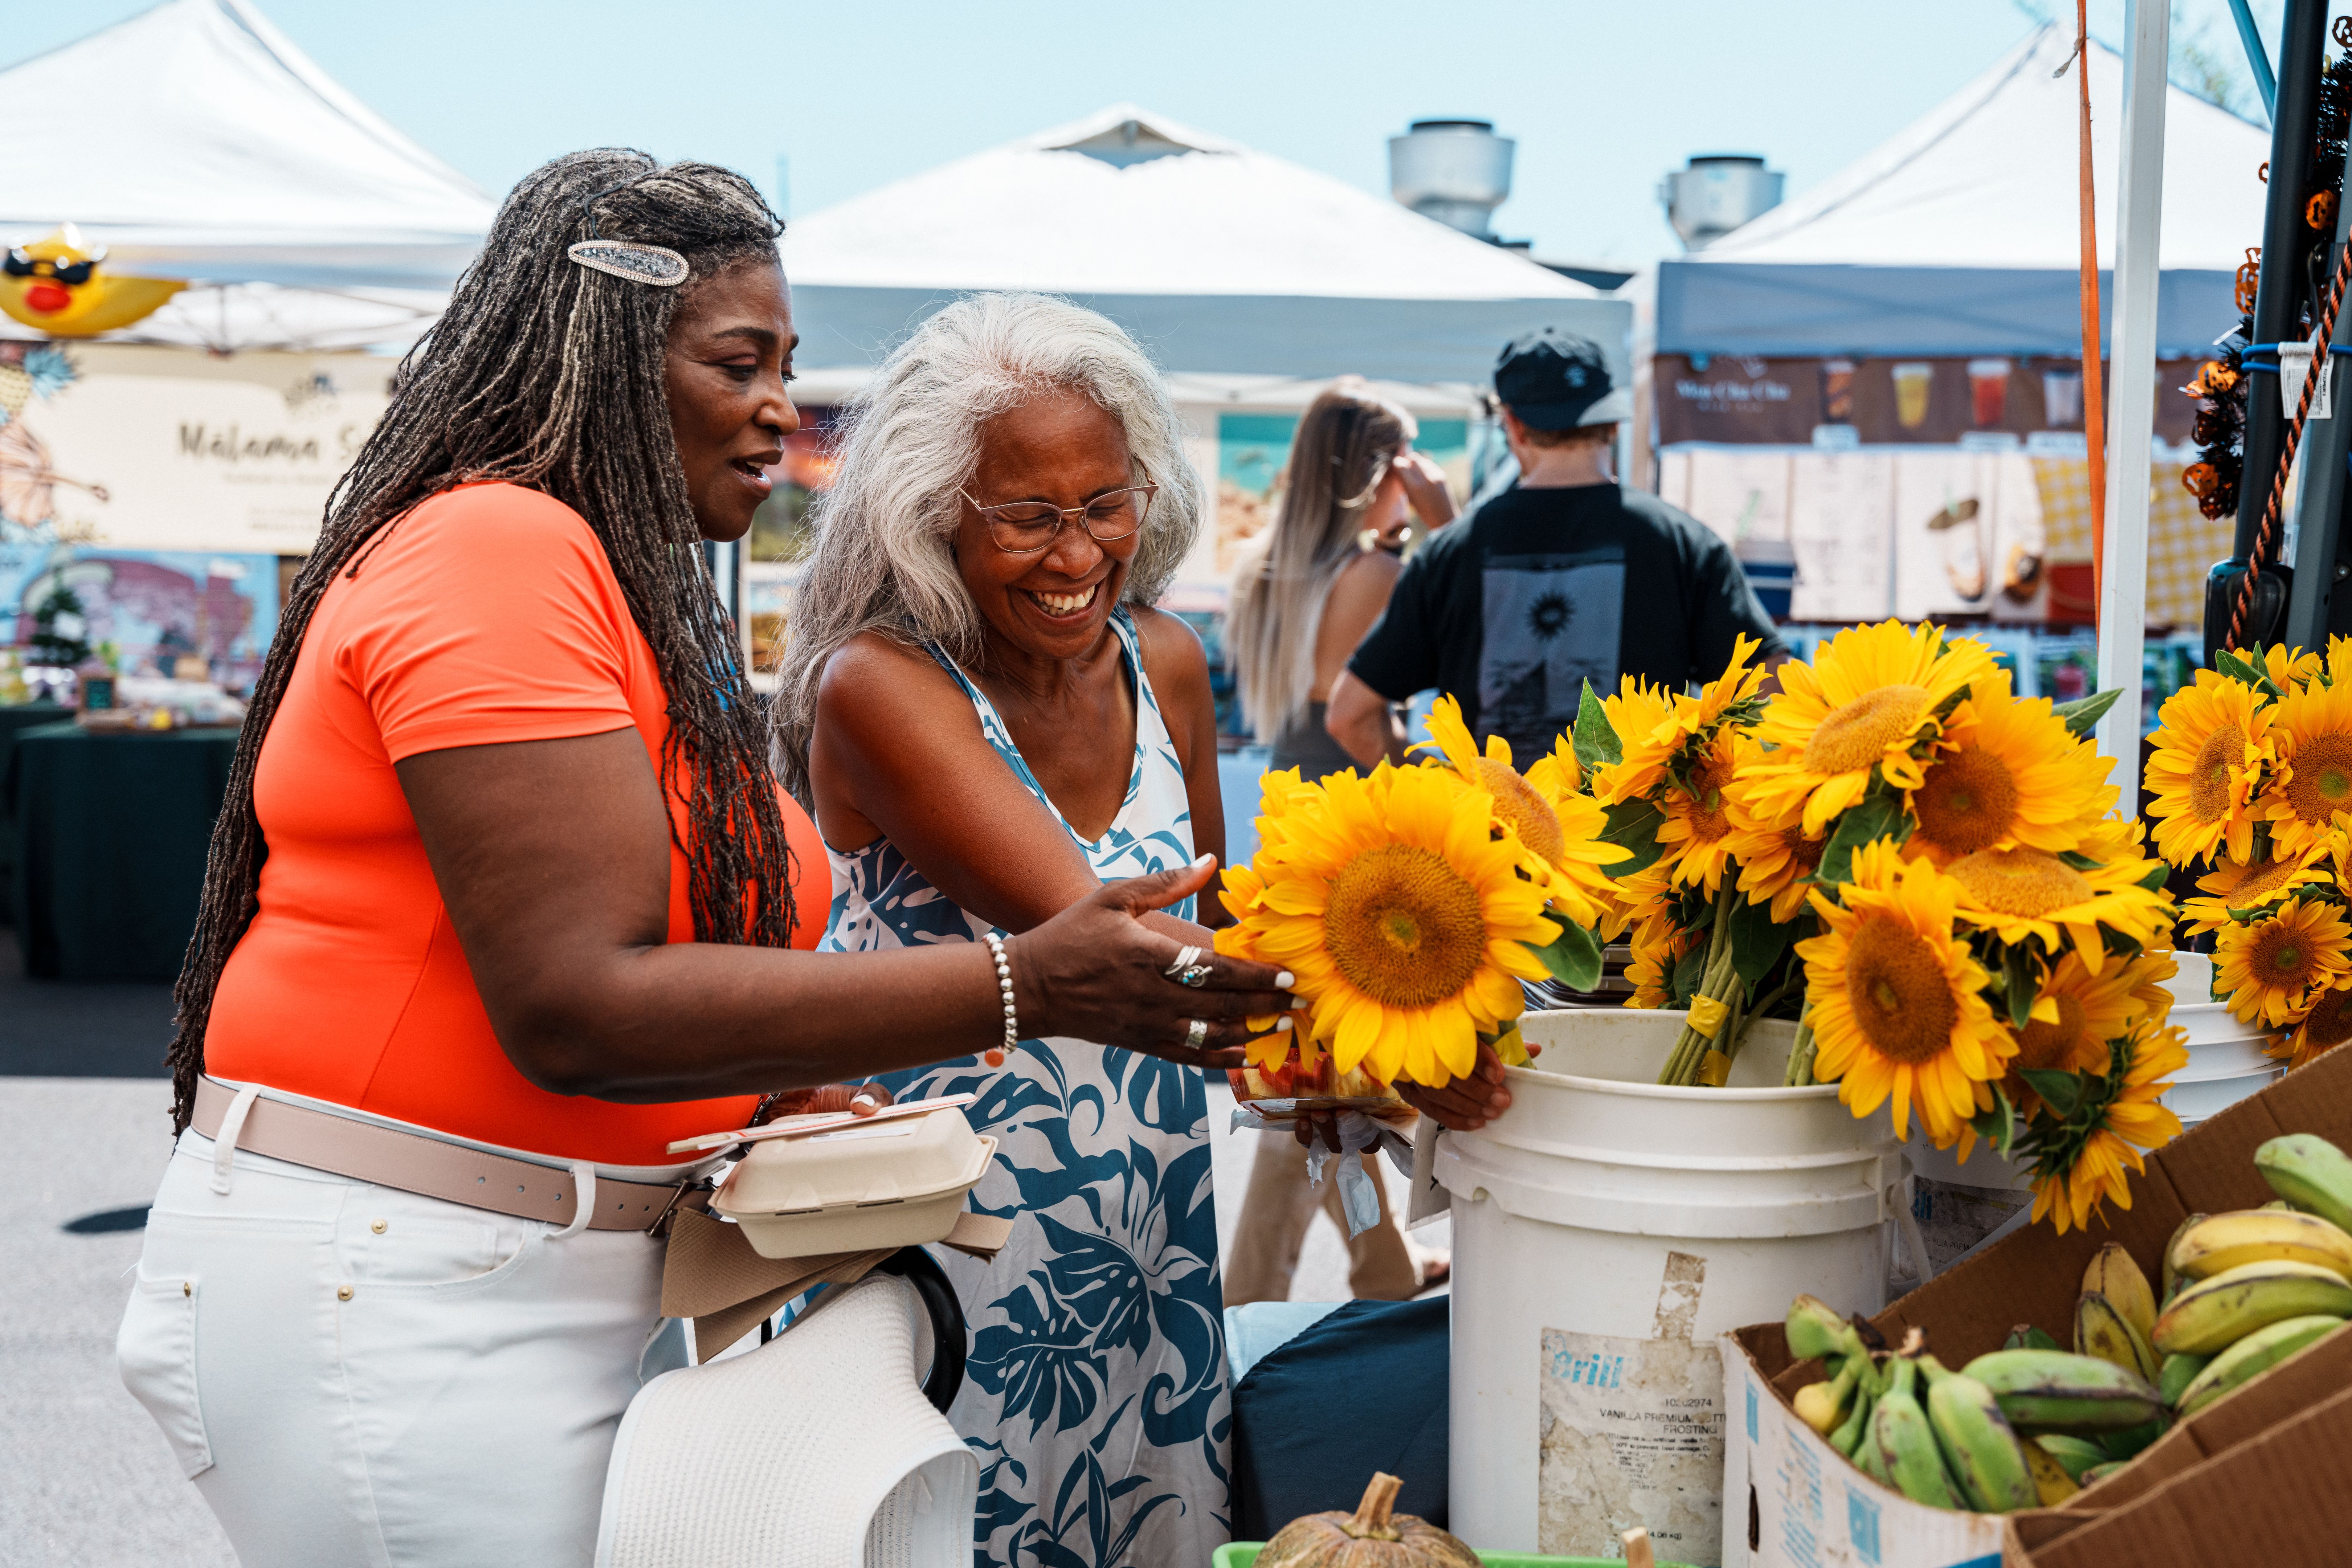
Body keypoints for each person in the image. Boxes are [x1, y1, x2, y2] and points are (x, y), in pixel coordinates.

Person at [118, 154, 1296, 1568]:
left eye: (786, 365)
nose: (783, 407)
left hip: (510, 1279)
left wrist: (776, 1089)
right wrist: (1018, 988)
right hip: (405, 1284)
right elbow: (576, 1003)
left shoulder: (602, 581)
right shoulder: (498, 547)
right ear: (609, 354)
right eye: (739, 364)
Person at [1220, 381, 1451, 1307]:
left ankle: (1381, 1268)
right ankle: (1249, 1296)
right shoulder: (1375, 575)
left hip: (1289, 821)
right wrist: (1442, 528)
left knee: (1323, 1067)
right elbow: (1362, 716)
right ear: (1379, 470)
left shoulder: (1265, 569)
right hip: (1350, 836)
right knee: (1313, 1088)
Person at [1326, 329, 1789, 767]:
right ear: (1612, 425)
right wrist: (1699, 781)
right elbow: (1772, 688)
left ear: (1514, 426)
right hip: (1642, 823)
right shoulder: (1684, 544)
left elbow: (1349, 717)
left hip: (1496, 823)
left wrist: (1447, 790)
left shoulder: (1449, 554)